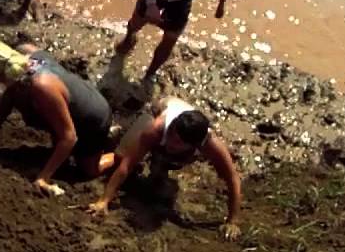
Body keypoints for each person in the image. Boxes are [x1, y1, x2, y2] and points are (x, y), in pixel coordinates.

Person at [0, 38, 116, 197]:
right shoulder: (24, 53)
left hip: (93, 118)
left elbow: (69, 138)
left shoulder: (42, 87)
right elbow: (5, 105)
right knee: (56, 133)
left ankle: (119, 154)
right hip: (75, 98)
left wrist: (43, 177)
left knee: (88, 169)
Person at [87, 96, 242, 240]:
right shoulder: (156, 128)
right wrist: (104, 201)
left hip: (183, 136)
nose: (173, 143)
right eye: (172, 137)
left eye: (178, 142)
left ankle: (159, 165)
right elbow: (126, 165)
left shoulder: (210, 144)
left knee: (165, 165)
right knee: (121, 158)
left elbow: (232, 178)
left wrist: (232, 220)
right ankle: (119, 135)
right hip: (158, 109)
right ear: (172, 129)